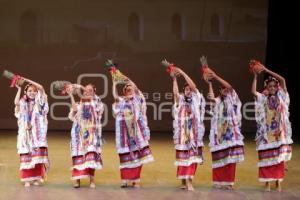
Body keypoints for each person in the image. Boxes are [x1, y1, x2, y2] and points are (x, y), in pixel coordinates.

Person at [251, 62, 292, 192]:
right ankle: (267, 183)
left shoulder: (282, 96)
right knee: (266, 158)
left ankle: (278, 182)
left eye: (274, 86)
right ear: (267, 88)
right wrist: (255, 76)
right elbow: (253, 91)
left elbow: (283, 80)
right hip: (266, 134)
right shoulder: (263, 98)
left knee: (278, 159)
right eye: (270, 86)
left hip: (279, 133)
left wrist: (266, 69)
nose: (272, 87)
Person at [112, 74, 154, 188]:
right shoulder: (121, 101)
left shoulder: (137, 100)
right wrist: (114, 83)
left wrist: (127, 79)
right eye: (127, 89)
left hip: (137, 134)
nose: (130, 90)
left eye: (131, 89)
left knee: (137, 157)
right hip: (124, 136)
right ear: (125, 92)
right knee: (125, 157)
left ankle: (136, 180)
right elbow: (115, 96)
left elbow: (135, 88)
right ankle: (125, 180)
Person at [205, 70, 244, 190]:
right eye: (223, 89)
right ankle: (218, 181)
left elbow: (230, 87)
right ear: (220, 91)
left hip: (231, 134)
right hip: (219, 134)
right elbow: (211, 99)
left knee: (230, 159)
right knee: (218, 157)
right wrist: (209, 83)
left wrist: (215, 76)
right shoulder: (218, 100)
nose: (225, 90)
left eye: (226, 89)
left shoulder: (233, 97)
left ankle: (229, 182)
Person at [169, 63, 205, 191]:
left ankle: (190, 181)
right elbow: (175, 93)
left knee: (192, 158)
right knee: (182, 157)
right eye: (186, 89)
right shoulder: (181, 101)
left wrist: (182, 72)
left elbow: (194, 87)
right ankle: (184, 181)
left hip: (194, 135)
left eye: (189, 89)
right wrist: (174, 79)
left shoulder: (196, 99)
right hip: (183, 135)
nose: (188, 91)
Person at [14, 78, 49, 187]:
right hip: (25, 134)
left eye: (34, 90)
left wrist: (26, 79)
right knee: (26, 154)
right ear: (26, 92)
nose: (32, 92)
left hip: (37, 134)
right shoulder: (23, 102)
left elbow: (41, 87)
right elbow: (16, 103)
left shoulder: (40, 101)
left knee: (37, 156)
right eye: (29, 91)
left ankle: (36, 178)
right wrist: (19, 88)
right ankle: (26, 179)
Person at [67, 84, 104, 188]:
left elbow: (94, 101)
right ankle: (77, 180)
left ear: (94, 93)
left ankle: (92, 180)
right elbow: (74, 110)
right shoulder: (79, 104)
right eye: (85, 91)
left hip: (91, 135)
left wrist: (80, 86)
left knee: (91, 156)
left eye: (90, 91)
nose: (87, 92)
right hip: (79, 135)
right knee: (78, 156)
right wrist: (71, 95)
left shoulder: (96, 103)